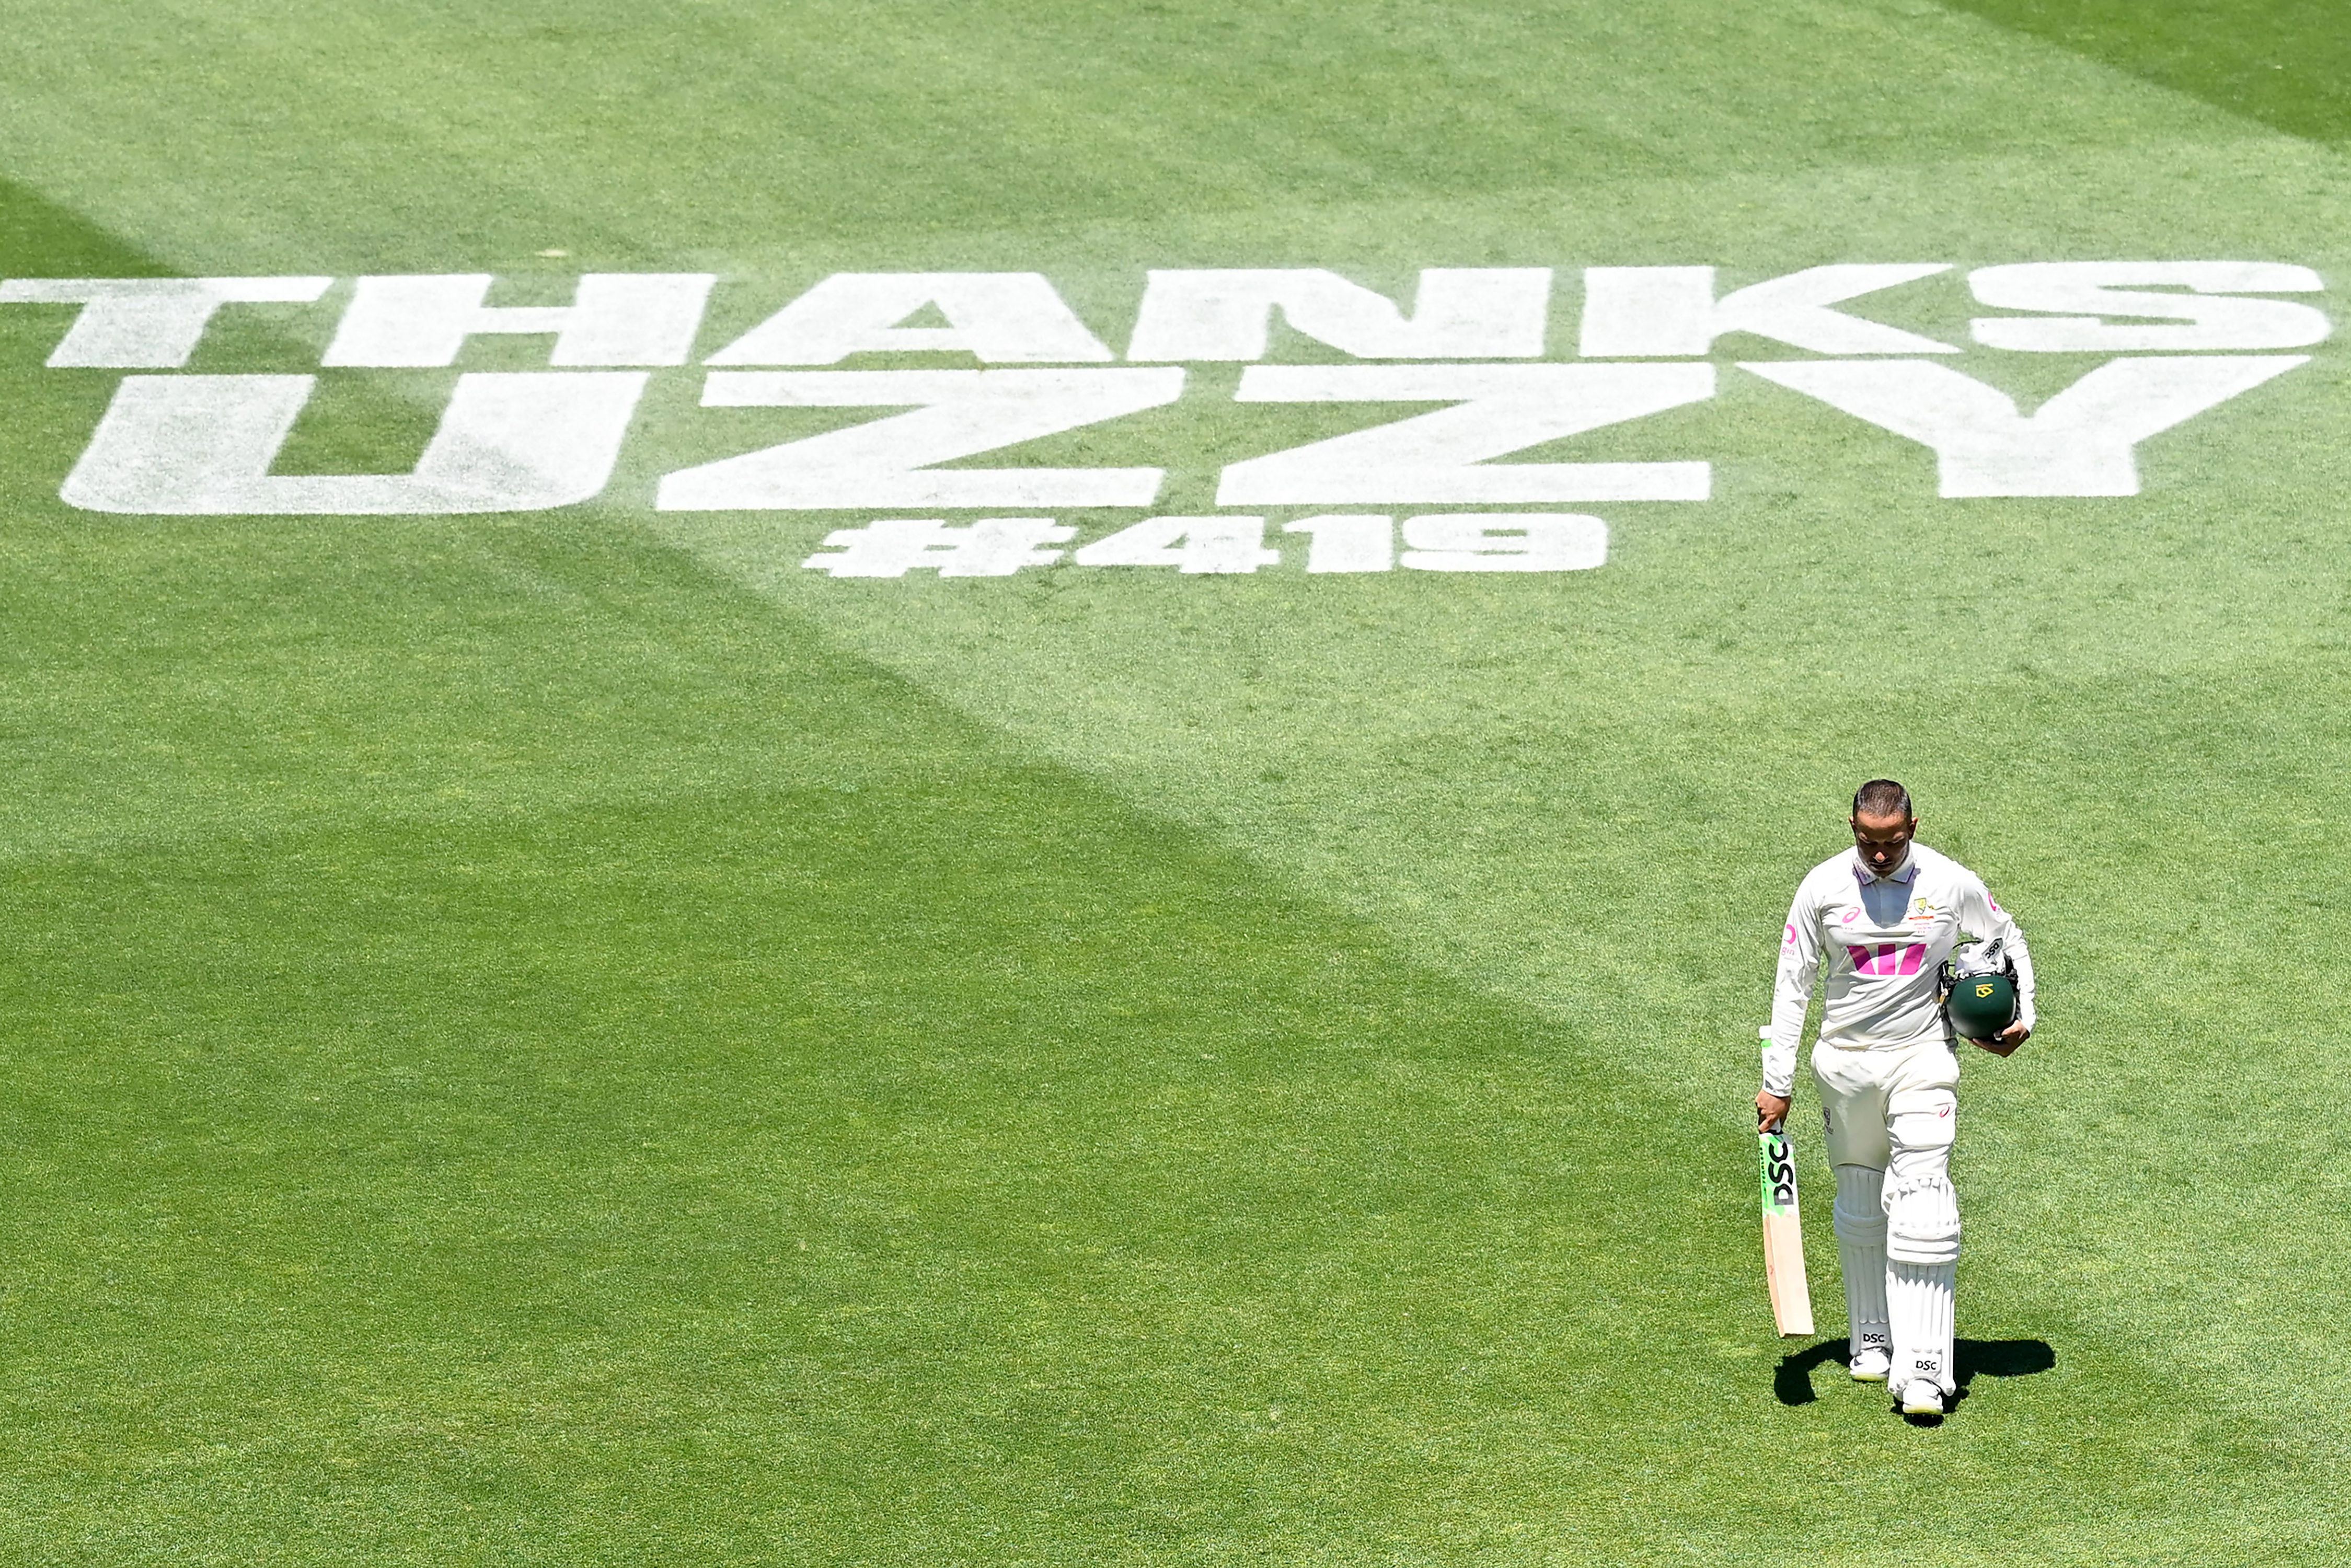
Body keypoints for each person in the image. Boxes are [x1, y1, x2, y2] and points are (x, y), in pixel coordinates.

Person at [1756, 780, 2034, 1417]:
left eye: (1892, 841)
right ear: (1852, 828)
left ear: (1912, 825)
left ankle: (1926, 1371)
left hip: (1922, 1058)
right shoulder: (1820, 887)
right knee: (1859, 1197)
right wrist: (1777, 1083)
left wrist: (2022, 1019)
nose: (1879, 854)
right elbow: (1792, 985)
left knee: (1924, 1197)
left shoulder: (1949, 880)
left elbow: (2007, 937)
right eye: (1866, 841)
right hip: (1844, 1066)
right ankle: (1871, 1340)